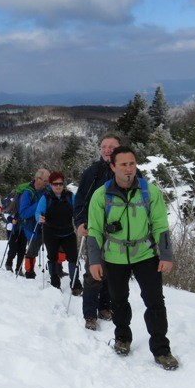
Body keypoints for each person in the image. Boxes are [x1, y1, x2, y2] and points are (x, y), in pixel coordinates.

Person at [88, 146, 179, 370]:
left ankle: (161, 350)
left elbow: (161, 225)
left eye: (132, 164)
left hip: (145, 254)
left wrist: (166, 254)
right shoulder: (101, 195)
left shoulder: (150, 192)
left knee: (155, 302)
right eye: (123, 165)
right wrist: (94, 261)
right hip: (114, 256)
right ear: (113, 167)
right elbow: (94, 230)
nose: (129, 169)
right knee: (118, 300)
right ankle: (122, 338)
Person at [73, 134, 120, 330]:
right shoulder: (92, 172)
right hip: (94, 228)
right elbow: (81, 200)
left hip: (120, 232)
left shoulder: (129, 171)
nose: (107, 150)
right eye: (104, 146)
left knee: (113, 270)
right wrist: (80, 223)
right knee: (94, 270)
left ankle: (105, 307)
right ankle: (90, 314)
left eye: (112, 147)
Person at [35, 172, 80, 290]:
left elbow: (77, 212)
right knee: (53, 257)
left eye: (60, 183)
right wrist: (39, 218)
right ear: (50, 184)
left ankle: (75, 282)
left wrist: (81, 221)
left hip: (68, 232)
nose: (58, 186)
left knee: (73, 258)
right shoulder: (46, 198)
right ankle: (55, 280)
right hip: (51, 233)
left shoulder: (70, 196)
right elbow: (38, 212)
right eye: (55, 184)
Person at [19, 169, 50, 278]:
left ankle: (56, 271)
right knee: (32, 250)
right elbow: (23, 213)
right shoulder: (28, 193)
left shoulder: (47, 190)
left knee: (55, 248)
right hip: (32, 227)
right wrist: (39, 204)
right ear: (38, 179)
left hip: (46, 225)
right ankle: (29, 272)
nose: (48, 183)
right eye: (46, 181)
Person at [2, 181, 32, 273]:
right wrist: (12, 220)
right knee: (13, 248)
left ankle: (19, 268)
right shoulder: (12, 199)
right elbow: (6, 213)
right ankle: (8, 264)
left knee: (22, 249)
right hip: (12, 228)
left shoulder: (29, 199)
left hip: (23, 227)